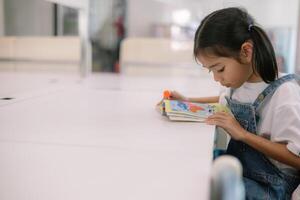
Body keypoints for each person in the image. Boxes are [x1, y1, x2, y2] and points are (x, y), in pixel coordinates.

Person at [165, 7, 300, 199]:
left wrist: (243, 134)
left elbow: (297, 158)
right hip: (245, 176)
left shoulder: (285, 94)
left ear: (246, 51)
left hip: (272, 188)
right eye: (211, 71)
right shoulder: (240, 83)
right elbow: (223, 99)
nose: (216, 78)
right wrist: (187, 101)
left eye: (219, 69)